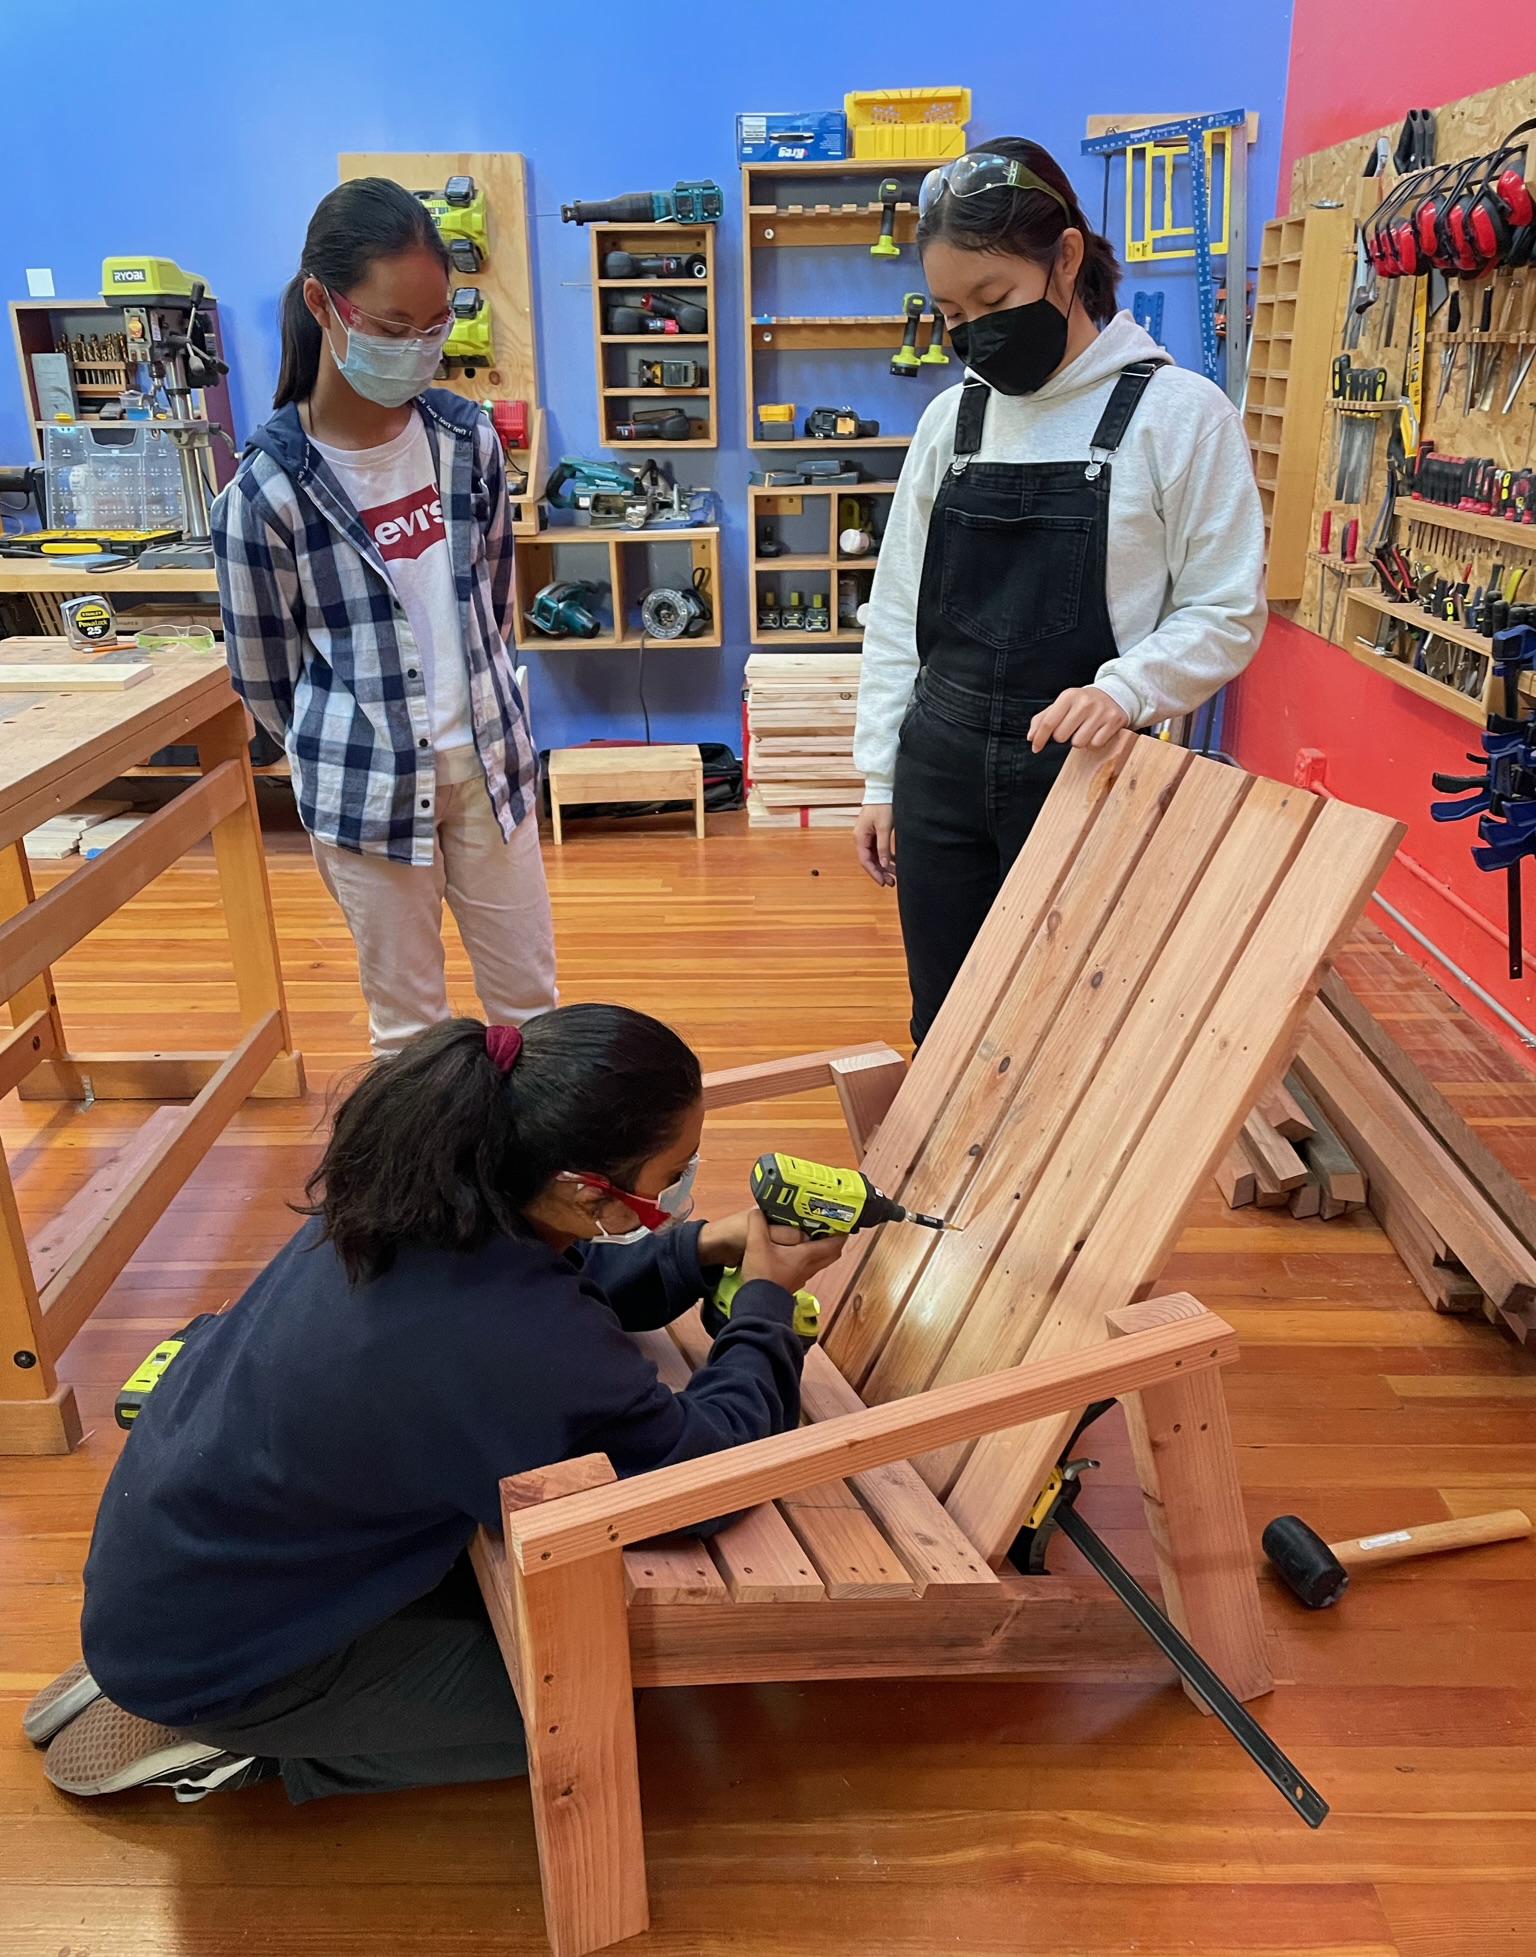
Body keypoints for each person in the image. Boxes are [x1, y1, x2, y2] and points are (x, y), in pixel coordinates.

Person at [31, 1005, 843, 1805]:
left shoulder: (406, 1194)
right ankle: (238, 1742)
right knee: (588, 1712)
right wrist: (767, 1304)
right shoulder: (505, 1339)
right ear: (581, 1187)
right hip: (214, 1655)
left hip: (180, 1563)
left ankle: (180, 1678)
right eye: (672, 1175)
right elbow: (700, 1474)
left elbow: (570, 1280)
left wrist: (701, 1245)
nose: (679, 1189)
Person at [852, 138, 1266, 1045]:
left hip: (1083, 776)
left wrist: (1126, 688)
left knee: (1071, 1035)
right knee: (948, 1029)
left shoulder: (1179, 415)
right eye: (951, 312)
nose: (972, 334)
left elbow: (1226, 607)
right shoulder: (950, 419)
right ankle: (944, 1193)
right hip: (940, 772)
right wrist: (881, 774)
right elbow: (895, 614)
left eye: (993, 301)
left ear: (1067, 258)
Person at [213, 178, 557, 1057]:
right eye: (393, 330)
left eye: (434, 328)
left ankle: (539, 1189)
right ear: (324, 305)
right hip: (366, 788)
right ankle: (430, 1195)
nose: (418, 351)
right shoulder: (266, 491)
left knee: (532, 1008)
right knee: (411, 1035)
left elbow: (490, 593)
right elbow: (264, 679)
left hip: (488, 759)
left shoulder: (463, 439)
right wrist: (350, 743)